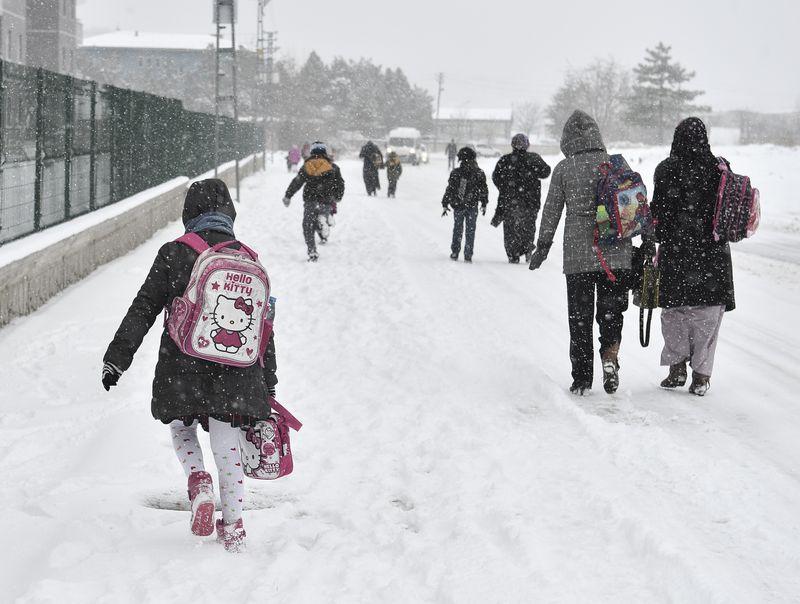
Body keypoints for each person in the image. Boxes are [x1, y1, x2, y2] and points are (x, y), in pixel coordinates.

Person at [101, 179, 278, 553]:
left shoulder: (174, 253)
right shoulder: (248, 258)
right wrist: (269, 382)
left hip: (182, 366)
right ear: (229, 213)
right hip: (237, 373)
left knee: (182, 428)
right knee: (226, 441)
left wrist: (117, 358)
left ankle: (199, 483)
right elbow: (263, 328)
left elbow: (144, 307)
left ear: (189, 213)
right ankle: (233, 528)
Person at [528, 110, 634, 395]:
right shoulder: (614, 164)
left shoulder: (564, 168)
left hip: (578, 256)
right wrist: (645, 242)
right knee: (611, 313)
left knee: (580, 318)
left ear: (567, 139)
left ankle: (582, 378)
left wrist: (543, 246)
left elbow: (551, 211)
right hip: (616, 253)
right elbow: (633, 206)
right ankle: (610, 356)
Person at [651, 117, 735, 396]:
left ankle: (676, 367)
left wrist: (659, 235)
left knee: (674, 312)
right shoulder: (719, 169)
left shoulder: (665, 170)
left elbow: (658, 213)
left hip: (677, 252)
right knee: (708, 316)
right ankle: (701, 375)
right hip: (712, 256)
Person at [491, 133, 551, 264]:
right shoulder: (534, 158)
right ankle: (527, 247)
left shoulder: (505, 160)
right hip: (531, 201)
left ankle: (513, 254)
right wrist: (533, 171)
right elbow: (546, 171)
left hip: (510, 201)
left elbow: (496, 177)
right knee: (528, 226)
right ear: (527, 145)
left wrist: (505, 188)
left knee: (510, 228)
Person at [283, 141, 345, 262]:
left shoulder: (307, 166)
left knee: (308, 225)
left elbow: (297, 182)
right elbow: (340, 184)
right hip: (326, 200)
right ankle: (324, 222)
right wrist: (338, 197)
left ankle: (312, 251)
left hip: (310, 200)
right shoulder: (333, 167)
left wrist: (288, 196)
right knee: (321, 217)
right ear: (325, 152)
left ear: (312, 152)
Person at [441, 146, 488, 263]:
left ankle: (455, 251)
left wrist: (445, 202)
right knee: (470, 230)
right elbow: (484, 189)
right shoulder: (479, 173)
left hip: (459, 205)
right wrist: (484, 202)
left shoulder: (457, 173)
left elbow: (450, 189)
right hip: (471, 205)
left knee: (458, 229)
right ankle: (467, 253)